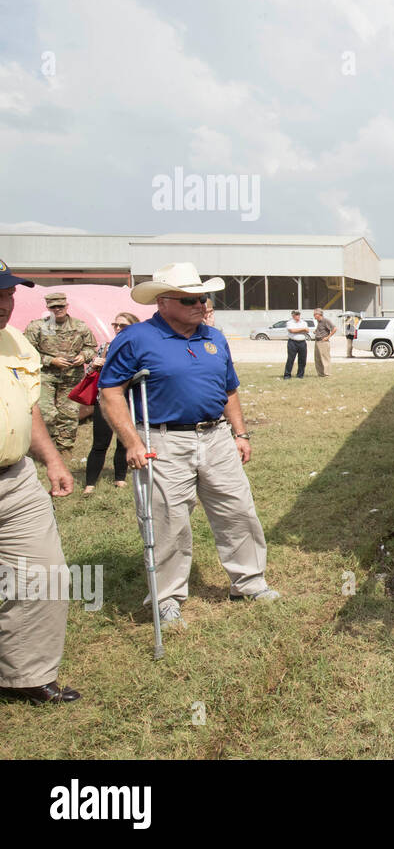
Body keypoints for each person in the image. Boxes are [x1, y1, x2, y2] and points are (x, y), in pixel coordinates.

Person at [98, 263, 278, 631]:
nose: (200, 304)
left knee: (238, 510)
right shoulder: (135, 338)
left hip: (216, 437)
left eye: (203, 298)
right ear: (163, 302)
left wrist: (240, 433)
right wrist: (131, 441)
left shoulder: (214, 337)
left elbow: (229, 389)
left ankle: (248, 582)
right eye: (190, 299)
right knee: (168, 520)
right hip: (162, 440)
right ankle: (166, 598)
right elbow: (110, 392)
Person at [0, 260, 79, 704]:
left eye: (8, 293)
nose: (3, 304)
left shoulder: (14, 343)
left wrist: (52, 460)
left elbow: (27, 407)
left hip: (15, 481)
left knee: (42, 575)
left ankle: (26, 675)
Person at [24, 292, 95, 455]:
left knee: (69, 413)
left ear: (66, 306)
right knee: (45, 412)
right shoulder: (37, 327)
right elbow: (27, 352)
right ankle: (45, 447)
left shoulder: (80, 326)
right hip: (46, 375)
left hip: (71, 376)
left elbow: (91, 348)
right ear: (48, 308)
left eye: (60, 306)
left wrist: (83, 356)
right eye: (53, 307)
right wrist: (51, 360)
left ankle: (64, 448)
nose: (57, 309)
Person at [83, 312, 139, 496]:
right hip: (105, 401)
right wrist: (96, 365)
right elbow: (90, 374)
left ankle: (120, 478)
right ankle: (90, 483)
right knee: (100, 442)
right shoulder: (106, 347)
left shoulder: (137, 347)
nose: (117, 328)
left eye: (122, 325)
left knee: (123, 441)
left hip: (129, 400)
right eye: (115, 324)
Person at [284, 310, 309, 379]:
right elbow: (292, 331)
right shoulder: (289, 322)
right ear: (292, 315)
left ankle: (300, 375)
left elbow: (307, 330)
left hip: (302, 342)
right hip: (293, 342)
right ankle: (287, 375)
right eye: (296, 314)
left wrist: (297, 330)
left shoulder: (304, 322)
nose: (297, 316)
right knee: (290, 359)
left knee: (302, 359)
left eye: (298, 314)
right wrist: (302, 329)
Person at [312, 308, 336, 377]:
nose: (314, 316)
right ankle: (320, 374)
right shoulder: (319, 322)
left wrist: (328, 337)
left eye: (315, 314)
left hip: (323, 342)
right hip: (317, 341)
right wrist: (316, 331)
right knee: (318, 358)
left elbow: (334, 329)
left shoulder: (325, 320)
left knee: (325, 358)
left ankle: (327, 373)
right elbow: (322, 329)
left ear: (319, 314)